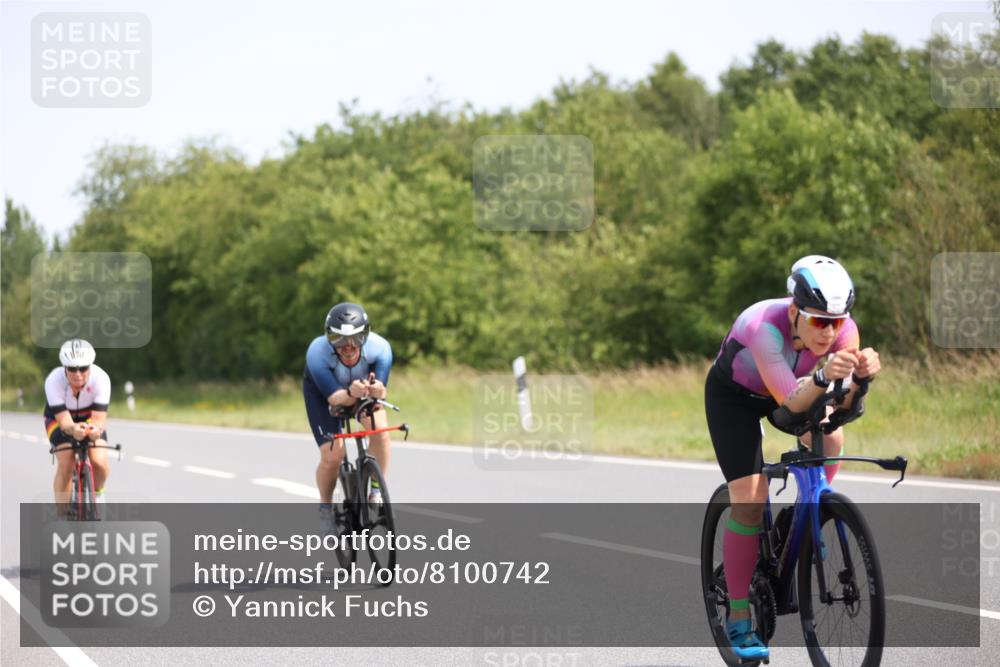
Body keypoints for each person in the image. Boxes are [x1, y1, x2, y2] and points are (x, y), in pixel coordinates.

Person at [704, 256, 880, 661]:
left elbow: (840, 403)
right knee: (749, 500)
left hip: (795, 390)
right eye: (819, 321)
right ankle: (739, 615)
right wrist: (822, 378)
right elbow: (790, 404)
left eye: (836, 322)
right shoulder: (763, 328)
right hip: (736, 399)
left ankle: (809, 512)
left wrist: (861, 381)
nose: (830, 331)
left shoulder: (843, 330)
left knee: (832, 436)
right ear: (794, 311)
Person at [302, 302, 393, 532]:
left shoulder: (381, 348)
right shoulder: (316, 352)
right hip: (325, 396)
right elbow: (335, 399)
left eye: (357, 338)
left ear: (366, 335)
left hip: (359, 390)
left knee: (380, 431)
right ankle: (325, 507)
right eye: (339, 340)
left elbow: (381, 392)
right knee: (333, 455)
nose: (349, 347)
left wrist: (378, 391)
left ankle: (374, 488)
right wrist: (352, 392)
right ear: (328, 338)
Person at [43, 339, 113, 511]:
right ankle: (61, 515)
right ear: (65, 368)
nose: (78, 373)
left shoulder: (101, 379)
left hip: (90, 417)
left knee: (100, 461)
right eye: (72, 368)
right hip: (60, 419)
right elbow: (65, 422)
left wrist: (95, 431)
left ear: (91, 366)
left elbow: (98, 419)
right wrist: (74, 429)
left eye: (83, 368)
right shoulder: (53, 381)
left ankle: (98, 493)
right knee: (66, 460)